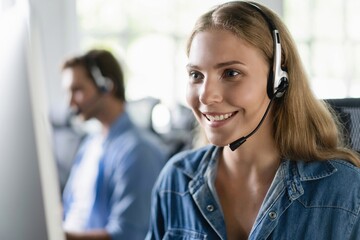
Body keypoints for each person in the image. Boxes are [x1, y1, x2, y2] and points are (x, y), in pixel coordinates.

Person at [146, 1, 360, 239]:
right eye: (196, 75)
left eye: (231, 73)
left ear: (279, 80)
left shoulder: (344, 192)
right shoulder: (175, 181)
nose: (206, 96)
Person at [60, 49, 166, 240]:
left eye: (77, 90)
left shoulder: (139, 152)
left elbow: (128, 236)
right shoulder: (90, 144)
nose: (70, 103)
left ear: (107, 86)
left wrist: (59, 237)